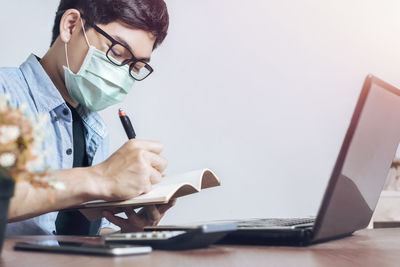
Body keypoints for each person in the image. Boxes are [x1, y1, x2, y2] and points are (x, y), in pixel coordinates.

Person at [0, 0, 175, 236]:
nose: (122, 74)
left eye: (136, 67)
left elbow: (75, 234)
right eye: (116, 52)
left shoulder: (95, 130)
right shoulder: (5, 93)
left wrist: (129, 232)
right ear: (71, 26)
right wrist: (100, 177)